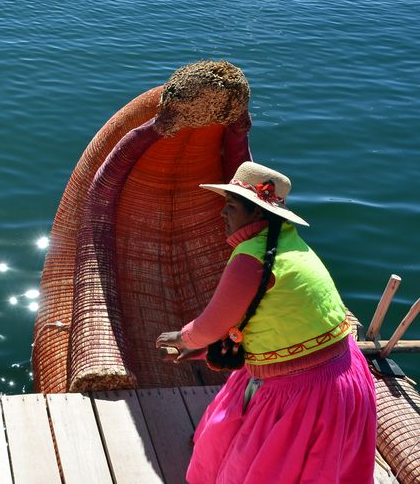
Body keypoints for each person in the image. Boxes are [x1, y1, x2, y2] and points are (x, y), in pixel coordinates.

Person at [156, 161, 376, 484]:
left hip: (307, 391)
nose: (222, 214)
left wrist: (179, 338)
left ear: (257, 214)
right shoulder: (290, 243)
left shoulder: (250, 257)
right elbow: (266, 320)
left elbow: (210, 327)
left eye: (230, 206)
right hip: (346, 374)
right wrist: (202, 350)